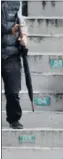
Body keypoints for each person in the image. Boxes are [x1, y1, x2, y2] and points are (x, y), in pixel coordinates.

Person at [1, 0, 27, 129]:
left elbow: (22, 23)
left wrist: (24, 39)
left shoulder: (15, 3)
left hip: (11, 54)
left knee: (13, 91)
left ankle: (14, 118)